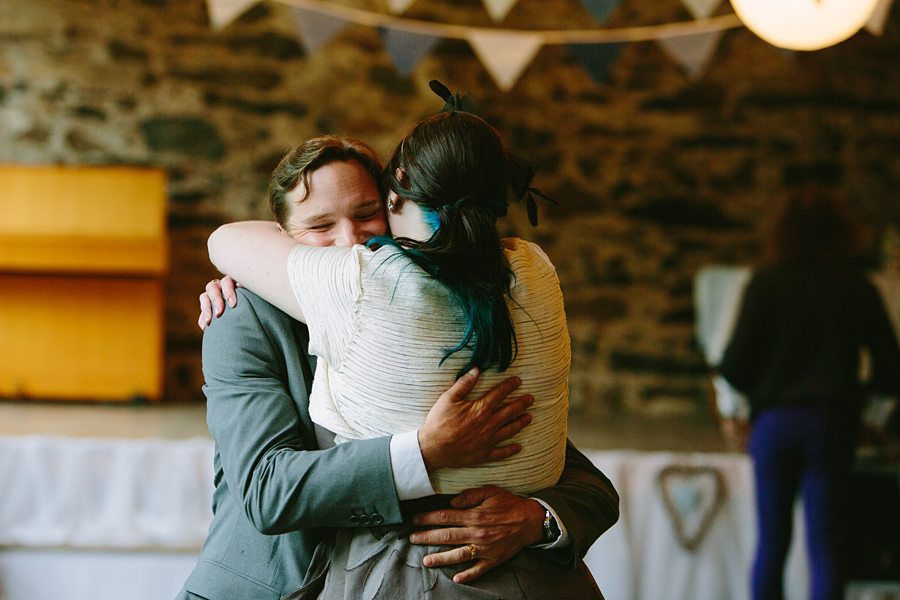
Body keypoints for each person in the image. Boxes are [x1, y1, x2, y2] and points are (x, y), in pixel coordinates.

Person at [180, 132, 618, 599]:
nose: (349, 240)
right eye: (319, 225)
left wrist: (536, 518)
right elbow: (268, 488)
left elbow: (576, 473)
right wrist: (425, 452)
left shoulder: (438, 305)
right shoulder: (239, 315)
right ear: (282, 236)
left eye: (366, 214)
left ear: (394, 209)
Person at [719, 187, 900, 600]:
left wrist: (741, 410)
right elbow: (892, 370)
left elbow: (734, 366)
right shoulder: (857, 286)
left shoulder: (765, 282)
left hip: (774, 425)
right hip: (830, 424)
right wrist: (871, 421)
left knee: (771, 542)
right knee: (826, 546)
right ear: (842, 230)